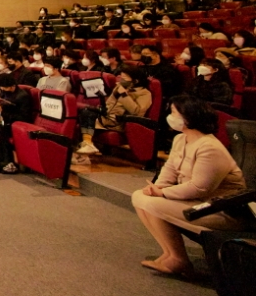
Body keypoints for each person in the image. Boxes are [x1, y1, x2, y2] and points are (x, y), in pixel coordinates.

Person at [132, 96, 247, 277]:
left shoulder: (209, 147)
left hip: (220, 210)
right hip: (195, 202)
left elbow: (200, 188)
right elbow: (169, 170)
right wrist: (156, 188)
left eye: (174, 113)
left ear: (189, 118)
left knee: (153, 204)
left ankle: (179, 260)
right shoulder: (180, 139)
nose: (170, 117)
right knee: (140, 197)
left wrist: (161, 193)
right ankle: (170, 253)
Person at [75, 65, 152, 156]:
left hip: (118, 121)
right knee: (84, 111)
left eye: (124, 78)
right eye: (121, 77)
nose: (121, 80)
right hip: (106, 116)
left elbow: (137, 112)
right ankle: (87, 143)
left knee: (87, 114)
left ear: (135, 81)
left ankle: (87, 143)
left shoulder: (144, 94)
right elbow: (109, 103)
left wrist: (124, 95)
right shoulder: (119, 87)